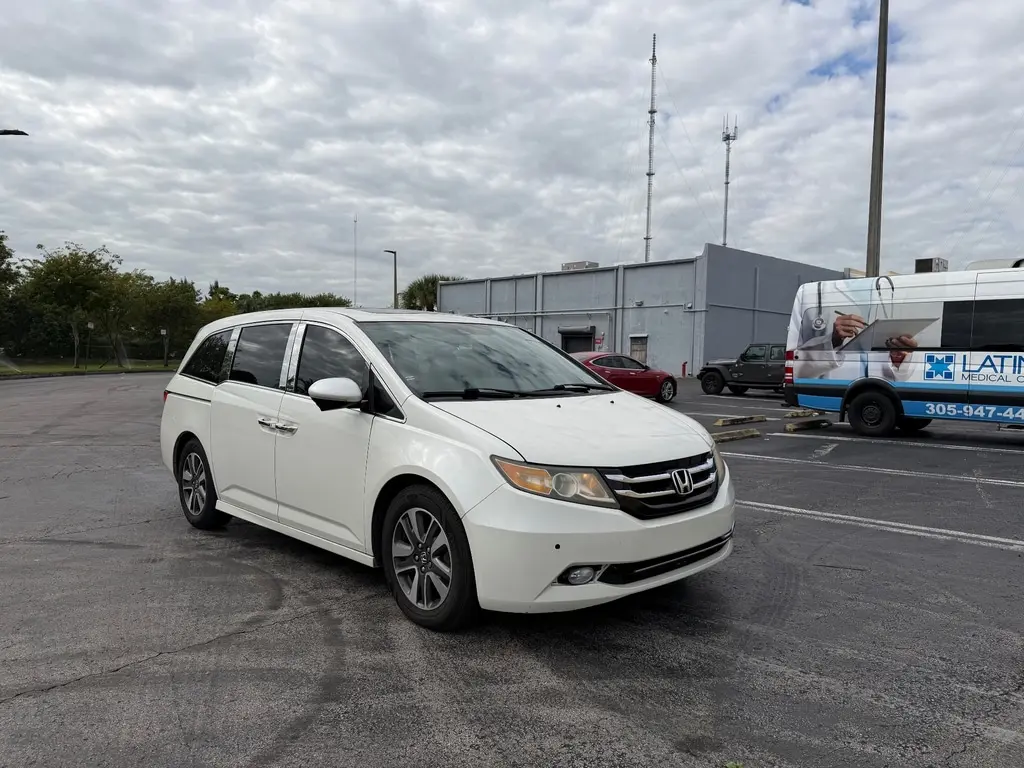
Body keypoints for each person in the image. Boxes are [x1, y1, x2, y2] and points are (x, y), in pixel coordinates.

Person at [788, 279, 918, 383]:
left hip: (881, 395)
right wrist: (832, 341)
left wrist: (899, 357)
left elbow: (904, 374)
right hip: (835, 392)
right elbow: (795, 364)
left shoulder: (894, 292)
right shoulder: (813, 293)